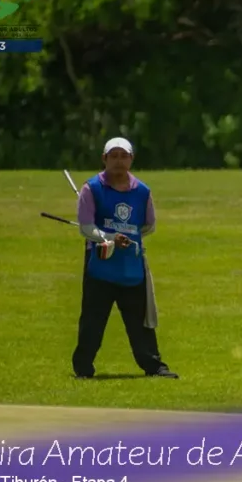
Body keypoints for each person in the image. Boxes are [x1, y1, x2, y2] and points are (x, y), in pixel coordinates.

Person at [73, 137, 179, 380]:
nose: (119, 161)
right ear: (104, 159)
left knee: (139, 321)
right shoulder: (91, 189)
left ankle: (154, 366)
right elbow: (86, 228)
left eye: (124, 156)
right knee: (93, 320)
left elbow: (149, 225)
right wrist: (109, 237)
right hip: (100, 265)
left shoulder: (142, 192)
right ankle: (83, 368)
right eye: (114, 156)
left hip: (131, 266)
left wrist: (129, 238)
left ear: (131, 159)